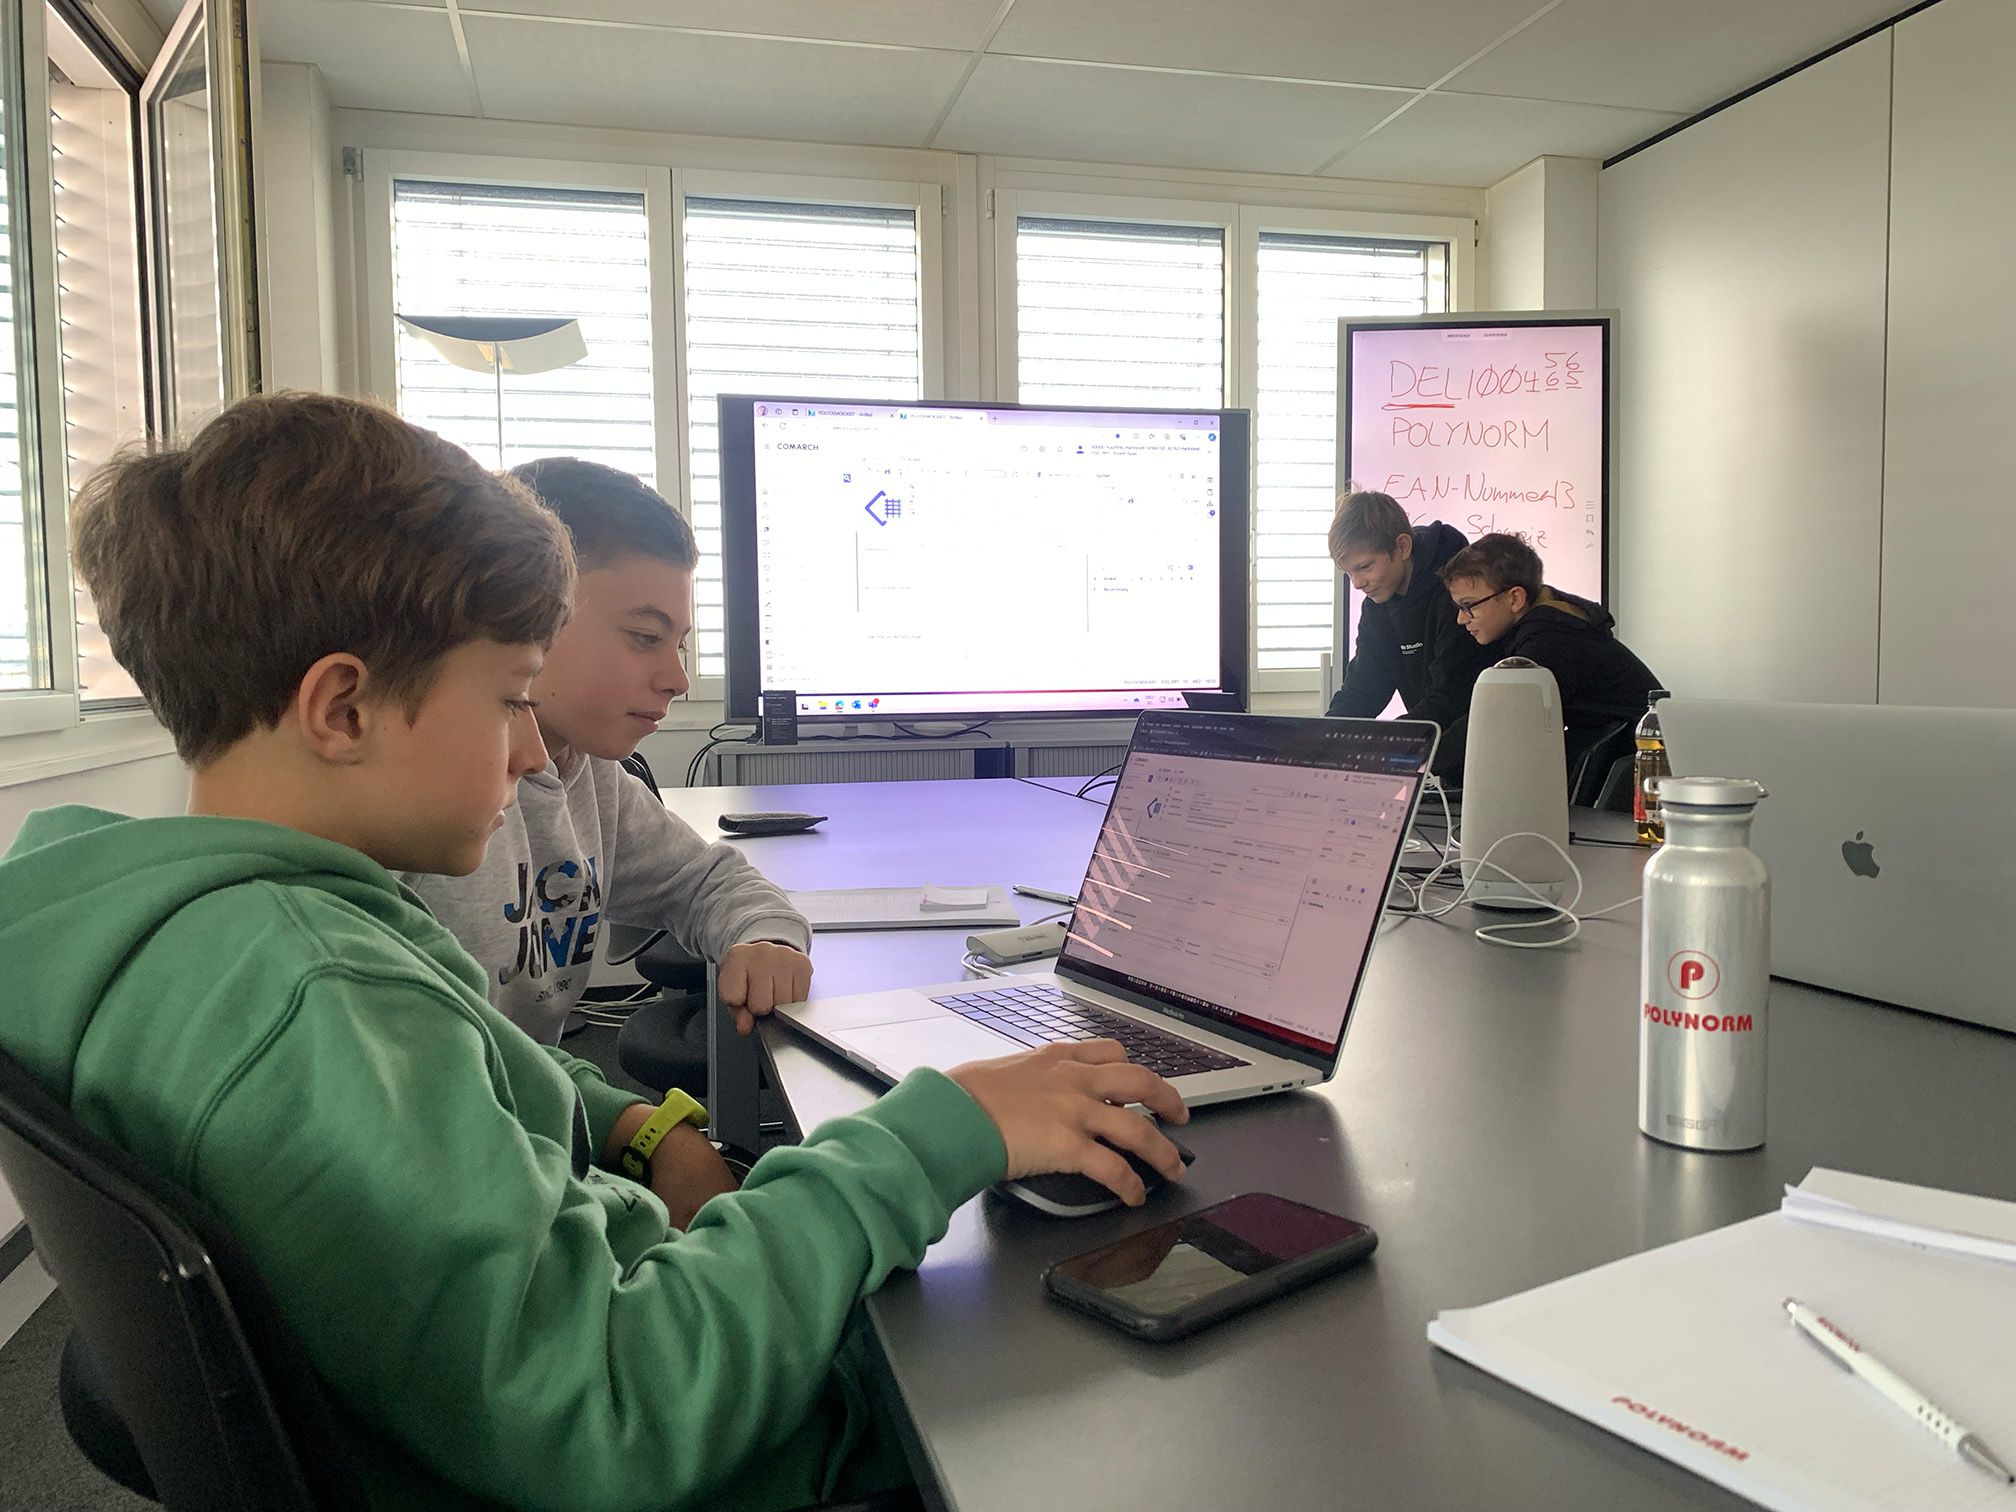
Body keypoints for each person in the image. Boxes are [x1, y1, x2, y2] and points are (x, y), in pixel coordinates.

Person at [0, 393, 1187, 1512]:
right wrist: (934, 1136)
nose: (533, 757)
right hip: (693, 1425)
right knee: (1107, 1347)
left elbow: (467, 1069)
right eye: (509, 699)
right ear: (343, 708)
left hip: (546, 1341)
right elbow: (613, 1407)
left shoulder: (191, 929)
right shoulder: (326, 999)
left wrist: (636, 1125)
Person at [403, 458, 808, 1219]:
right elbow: (439, 1088)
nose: (677, 679)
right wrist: (639, 1129)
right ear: (533, 616)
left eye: (678, 644)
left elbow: (708, 881)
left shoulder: (591, 777)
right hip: (475, 1172)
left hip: (543, 1132)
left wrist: (765, 937)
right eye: (644, 637)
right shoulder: (424, 809)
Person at [1437, 531, 1662, 763]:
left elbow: (1492, 722)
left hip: (1638, 760)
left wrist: (1428, 760)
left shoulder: (1548, 643)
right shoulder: (1549, 623)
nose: (1461, 619)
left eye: (1468, 606)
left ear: (1515, 599)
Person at [1324, 489, 1493, 758]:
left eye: (1365, 567)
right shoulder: (1378, 604)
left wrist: (1385, 745)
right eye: (1348, 573)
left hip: (1480, 750)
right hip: (1435, 752)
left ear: (1402, 547)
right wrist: (1324, 739)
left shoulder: (1457, 595)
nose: (1357, 583)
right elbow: (1364, 688)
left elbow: (1450, 697)